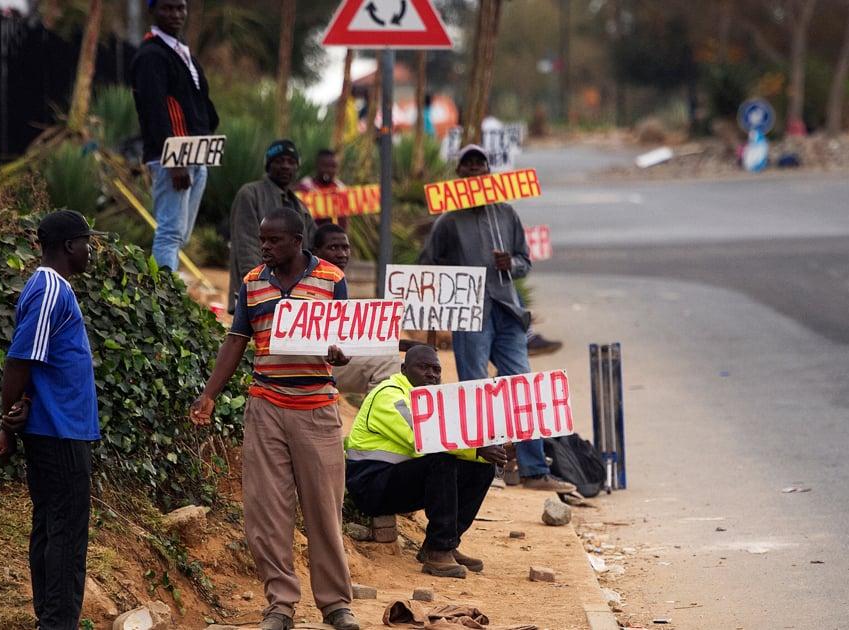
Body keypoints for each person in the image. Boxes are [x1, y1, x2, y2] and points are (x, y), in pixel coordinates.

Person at [190, 209, 360, 630]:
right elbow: (235, 340)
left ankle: (336, 604)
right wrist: (210, 394)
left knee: (323, 510)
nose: (264, 247)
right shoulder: (252, 283)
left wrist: (340, 352)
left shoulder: (331, 279)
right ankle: (280, 604)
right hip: (265, 406)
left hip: (317, 409)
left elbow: (347, 341)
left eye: (273, 240)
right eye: (262, 240)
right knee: (267, 512)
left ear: (297, 240)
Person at [420, 145, 575, 495]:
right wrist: (454, 282)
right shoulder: (448, 220)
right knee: (476, 388)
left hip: (507, 309)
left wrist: (513, 264)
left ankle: (534, 469)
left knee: (522, 385)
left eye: (480, 164)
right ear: (459, 173)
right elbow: (429, 264)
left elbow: (525, 259)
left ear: (488, 171)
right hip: (471, 314)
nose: (475, 170)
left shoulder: (506, 213)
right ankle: (484, 470)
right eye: (468, 165)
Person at [0, 210, 103, 630]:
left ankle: (50, 619)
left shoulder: (51, 288)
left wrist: (15, 410)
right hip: (57, 432)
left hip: (59, 428)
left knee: (51, 525)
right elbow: (20, 358)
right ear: (68, 246)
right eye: (87, 242)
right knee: (65, 533)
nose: (91, 250)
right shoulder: (49, 288)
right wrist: (6, 421)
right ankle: (58, 623)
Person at [344, 345, 509, 579]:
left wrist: (488, 451)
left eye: (436, 369)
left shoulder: (430, 401)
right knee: (441, 460)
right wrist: (479, 448)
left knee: (481, 467)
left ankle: (442, 544)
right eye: (423, 368)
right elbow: (425, 438)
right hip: (372, 486)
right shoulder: (389, 395)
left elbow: (455, 433)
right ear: (404, 369)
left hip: (399, 481)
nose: (431, 374)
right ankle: (438, 551)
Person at [131, 0, 219, 271]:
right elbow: (154, 110)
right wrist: (174, 160)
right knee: (169, 233)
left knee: (180, 235)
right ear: (152, 11)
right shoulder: (150, 56)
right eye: (167, 8)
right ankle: (163, 300)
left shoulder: (182, 52)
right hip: (172, 158)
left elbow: (199, 99)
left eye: (180, 8)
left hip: (195, 154)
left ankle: (168, 294)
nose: (176, 14)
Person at [313, 223, 421, 394]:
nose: (342, 254)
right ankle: (376, 416)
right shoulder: (313, 282)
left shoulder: (336, 280)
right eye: (333, 248)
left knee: (409, 365)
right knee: (389, 364)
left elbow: (345, 335)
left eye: (345, 248)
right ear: (316, 252)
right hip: (313, 363)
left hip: (334, 358)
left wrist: (395, 344)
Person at [228, 139, 314, 312]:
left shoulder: (300, 207)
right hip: (257, 297)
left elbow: (311, 248)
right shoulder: (250, 194)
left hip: (295, 300)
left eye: (291, 162)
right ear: (268, 165)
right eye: (279, 161)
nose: (285, 166)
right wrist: (256, 288)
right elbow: (247, 245)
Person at [296, 148, 347, 228]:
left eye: (333, 166)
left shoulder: (340, 187)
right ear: (317, 165)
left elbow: (344, 219)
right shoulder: (305, 186)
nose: (329, 170)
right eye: (325, 166)